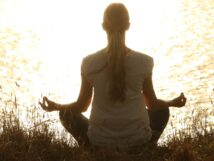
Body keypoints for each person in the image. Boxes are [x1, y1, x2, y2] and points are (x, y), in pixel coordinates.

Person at [39, 3, 186, 150]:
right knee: (162, 110)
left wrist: (56, 107)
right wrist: (172, 102)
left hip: (100, 143)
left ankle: (91, 149)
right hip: (138, 141)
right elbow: (152, 104)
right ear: (128, 25)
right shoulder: (144, 62)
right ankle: (145, 146)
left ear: (103, 26)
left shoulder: (89, 63)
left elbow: (81, 106)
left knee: (65, 114)